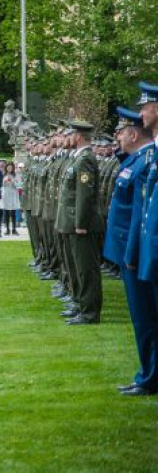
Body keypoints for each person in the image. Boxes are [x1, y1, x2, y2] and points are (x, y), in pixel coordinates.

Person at [104, 104, 158, 396]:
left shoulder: (145, 161)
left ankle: (149, 376)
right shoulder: (136, 160)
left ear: (134, 134)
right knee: (142, 318)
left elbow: (140, 215)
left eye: (121, 132)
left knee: (146, 318)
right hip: (130, 249)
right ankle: (147, 373)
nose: (118, 137)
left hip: (135, 251)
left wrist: (131, 253)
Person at [58, 119, 104, 325]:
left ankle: (89, 312)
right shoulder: (78, 158)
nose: (67, 138)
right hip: (71, 222)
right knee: (76, 267)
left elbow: (84, 195)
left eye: (70, 134)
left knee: (86, 269)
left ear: (77, 136)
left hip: (81, 225)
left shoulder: (85, 159)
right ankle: (80, 304)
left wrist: (81, 223)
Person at [1, 161, 21, 235]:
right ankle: (7, 229)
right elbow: (0, 185)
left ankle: (14, 229)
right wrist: (4, 182)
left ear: (13, 168)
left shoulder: (16, 175)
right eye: (8, 167)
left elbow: (19, 185)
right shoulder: (3, 175)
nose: (9, 168)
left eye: (11, 167)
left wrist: (13, 181)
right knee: (6, 213)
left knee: (13, 213)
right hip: (6, 194)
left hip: (13, 194)